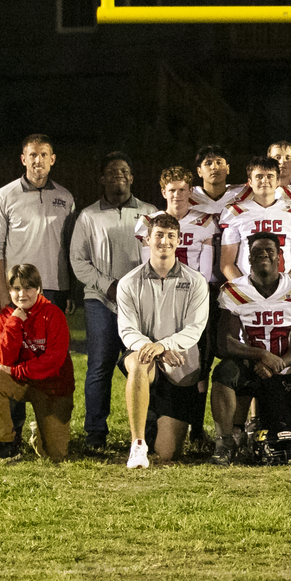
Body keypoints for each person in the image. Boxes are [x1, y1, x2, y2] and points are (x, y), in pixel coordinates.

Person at [69, 151, 156, 452]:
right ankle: (95, 432)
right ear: (102, 179)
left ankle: (148, 430)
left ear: (132, 177)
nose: (118, 176)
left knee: (144, 364)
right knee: (99, 366)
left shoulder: (149, 214)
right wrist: (107, 285)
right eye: (112, 172)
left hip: (139, 303)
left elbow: (160, 256)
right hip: (100, 302)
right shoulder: (88, 216)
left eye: (124, 171)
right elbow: (78, 261)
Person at [211, 232, 291, 465]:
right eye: (257, 251)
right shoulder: (234, 290)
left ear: (280, 256)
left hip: (284, 371)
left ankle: (247, 431)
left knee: (279, 438)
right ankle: (225, 441)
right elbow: (225, 342)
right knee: (223, 372)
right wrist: (261, 355)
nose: (264, 255)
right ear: (248, 258)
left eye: (270, 250)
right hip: (250, 367)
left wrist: (279, 363)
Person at [118, 213, 211, 468]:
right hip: (145, 358)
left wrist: (165, 345)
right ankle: (137, 445)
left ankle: (150, 423)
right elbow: (127, 331)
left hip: (179, 363)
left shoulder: (196, 282)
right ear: (147, 239)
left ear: (179, 241)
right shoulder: (128, 282)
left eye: (171, 236)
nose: (165, 241)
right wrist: (156, 350)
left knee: (168, 453)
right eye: (158, 235)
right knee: (137, 362)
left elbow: (195, 328)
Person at [138, 166, 222, 445]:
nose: (177, 195)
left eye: (183, 189)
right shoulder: (149, 222)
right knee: (152, 358)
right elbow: (145, 266)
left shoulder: (203, 221)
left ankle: (195, 428)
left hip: (194, 297)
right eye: (171, 190)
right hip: (158, 298)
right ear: (163, 192)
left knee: (199, 364)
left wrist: (192, 294)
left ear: (191, 191)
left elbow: (207, 271)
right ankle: (152, 425)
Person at [0, 262, 74, 463]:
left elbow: (54, 361)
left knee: (54, 454)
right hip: (23, 384)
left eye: (28, 288)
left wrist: (17, 370)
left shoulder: (53, 314)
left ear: (39, 288)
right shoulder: (3, 317)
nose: (22, 294)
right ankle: (6, 444)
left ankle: (39, 431)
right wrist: (14, 322)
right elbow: (3, 358)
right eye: (16, 288)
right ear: (9, 290)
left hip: (51, 386)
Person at [0, 133, 76, 312]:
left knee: (52, 341)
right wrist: (3, 291)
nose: (38, 160)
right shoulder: (4, 195)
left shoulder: (65, 197)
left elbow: (72, 247)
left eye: (44, 155)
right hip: (20, 288)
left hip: (55, 288)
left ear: (52, 159)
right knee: (18, 340)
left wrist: (71, 291)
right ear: (23, 159)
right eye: (33, 155)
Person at [221, 157, 291, 282]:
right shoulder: (235, 212)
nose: (264, 180)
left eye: (270, 176)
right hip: (246, 286)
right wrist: (245, 288)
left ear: (278, 181)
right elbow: (227, 263)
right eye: (259, 176)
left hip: (286, 287)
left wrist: (287, 287)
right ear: (250, 182)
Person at [191, 144, 244, 212]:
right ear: (199, 171)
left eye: (219, 163)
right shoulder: (188, 196)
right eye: (208, 163)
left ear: (227, 169)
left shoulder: (243, 192)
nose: (214, 167)